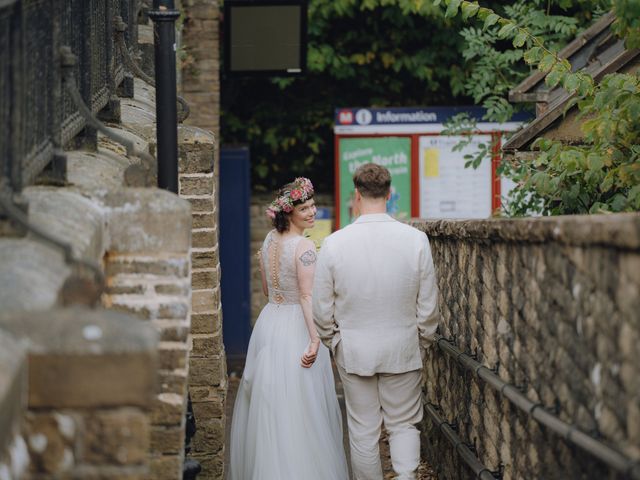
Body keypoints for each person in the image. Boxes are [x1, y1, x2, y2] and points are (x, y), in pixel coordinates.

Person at [313, 163, 439, 480]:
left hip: (354, 350)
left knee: (363, 431)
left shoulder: (335, 244)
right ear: (390, 193)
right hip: (403, 346)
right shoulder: (415, 240)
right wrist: (421, 339)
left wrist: (334, 341)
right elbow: (428, 304)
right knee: (404, 423)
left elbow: (321, 307)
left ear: (356, 195)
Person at [228, 177, 349, 480]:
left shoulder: (269, 239)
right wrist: (314, 338)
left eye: (313, 206)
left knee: (273, 402)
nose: (312, 212)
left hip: (270, 322)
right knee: (302, 406)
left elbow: (268, 291)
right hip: (297, 324)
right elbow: (307, 296)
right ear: (289, 212)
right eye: (305, 208)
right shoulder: (304, 247)